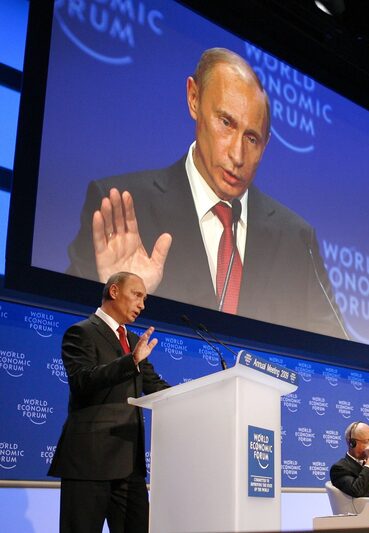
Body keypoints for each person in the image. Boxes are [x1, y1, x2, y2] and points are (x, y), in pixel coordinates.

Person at [66, 48, 346, 339]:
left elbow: (335, 348)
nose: (237, 155)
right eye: (226, 123)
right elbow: (68, 337)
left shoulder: (296, 239)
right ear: (194, 98)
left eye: (252, 138)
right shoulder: (123, 211)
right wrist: (115, 304)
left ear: (265, 145)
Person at [48, 271, 171, 532]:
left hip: (129, 465)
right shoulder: (81, 332)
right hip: (89, 461)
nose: (142, 305)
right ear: (114, 291)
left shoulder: (134, 341)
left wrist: (200, 395)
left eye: (145, 299)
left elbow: (154, 386)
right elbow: (82, 381)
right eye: (137, 295)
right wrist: (130, 361)